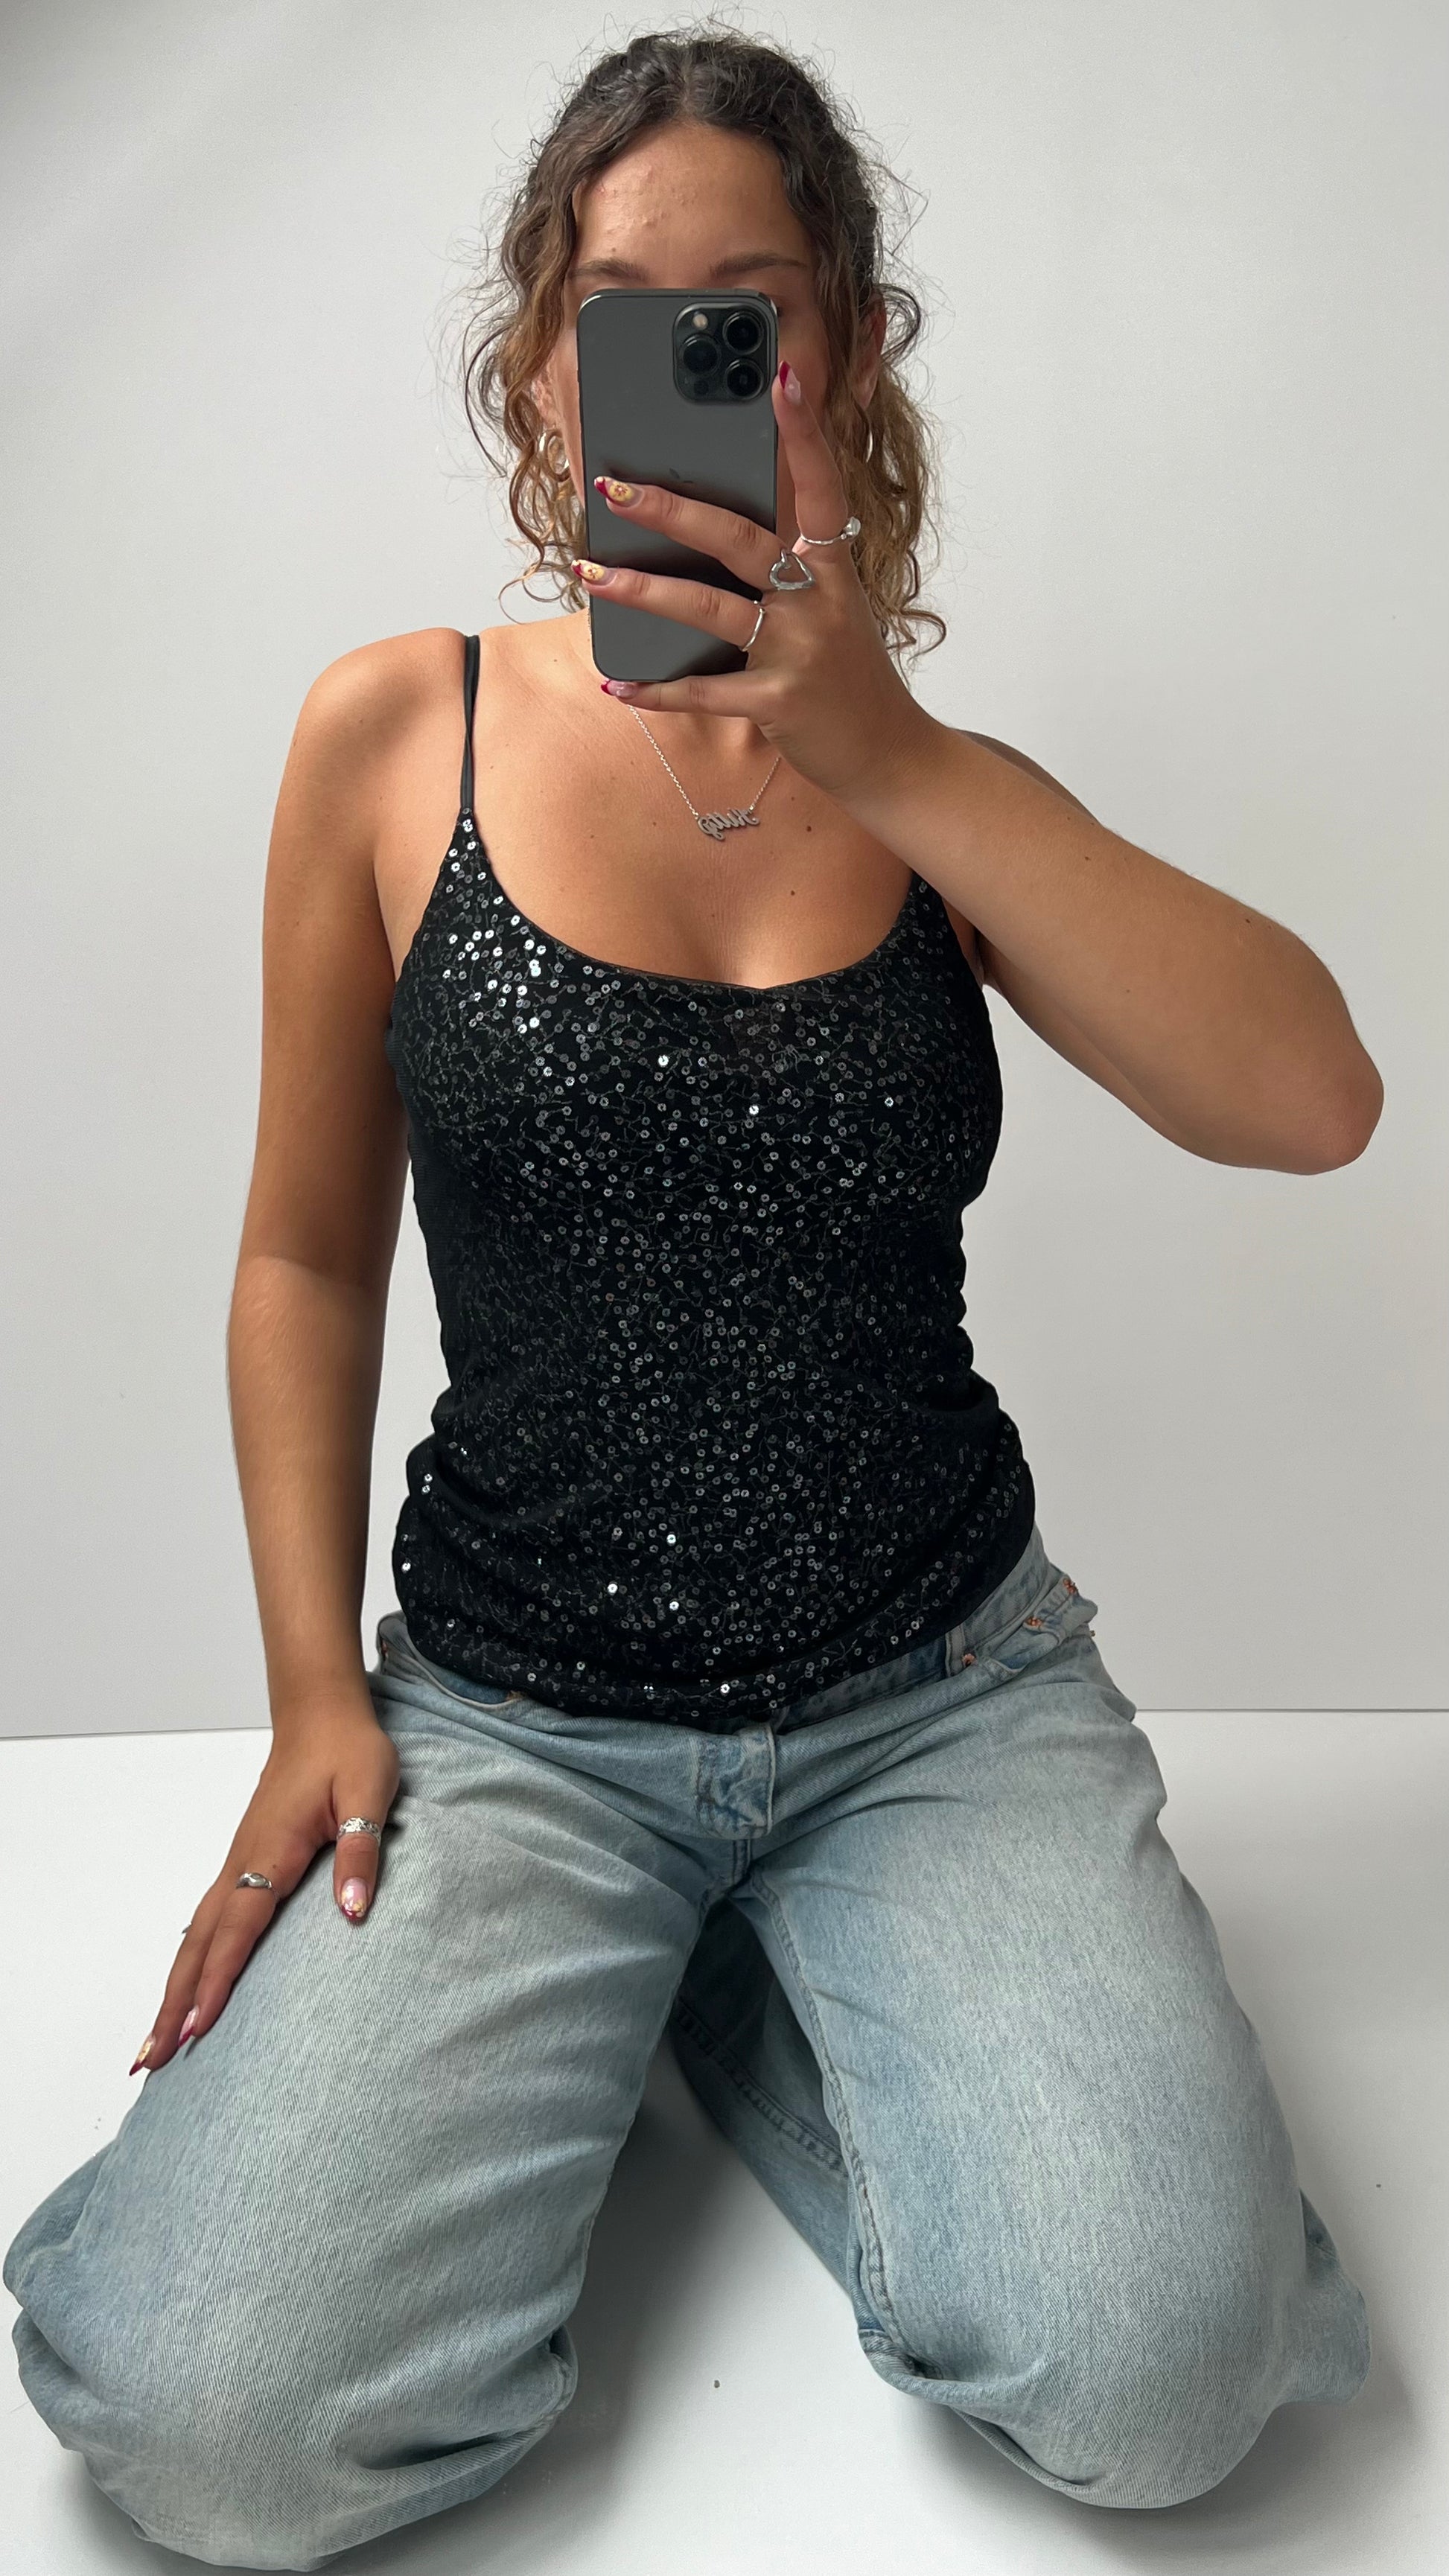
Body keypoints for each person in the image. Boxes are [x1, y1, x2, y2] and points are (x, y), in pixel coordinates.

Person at [5, 26, 1380, 2571]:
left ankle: (723, 1989)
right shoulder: (395, 733)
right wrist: (312, 1685)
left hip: (933, 1694)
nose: (680, 363)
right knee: (207, 2429)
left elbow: (1313, 1100)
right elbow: (302, 1247)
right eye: (620, 311)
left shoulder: (938, 788)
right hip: (513, 1713)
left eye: (741, 311)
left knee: (1165, 2389)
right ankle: (657, 1970)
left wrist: (888, 751)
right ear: (544, 366)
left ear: (835, 352)